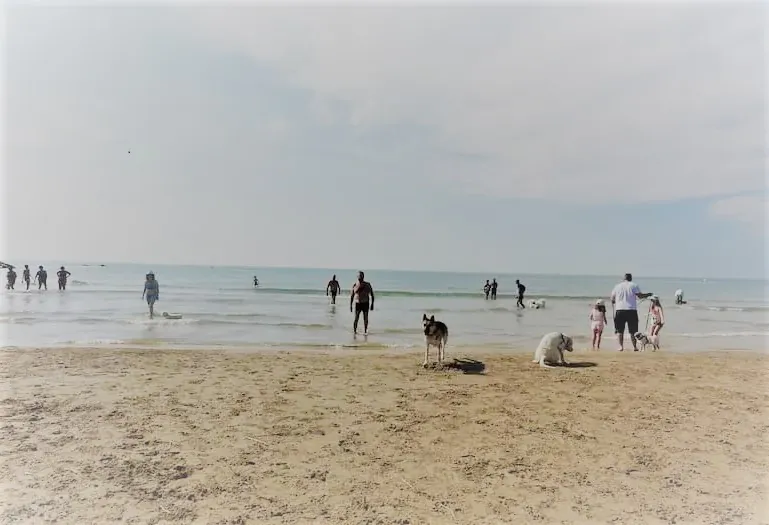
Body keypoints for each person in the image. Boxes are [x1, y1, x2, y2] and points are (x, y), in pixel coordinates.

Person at [610, 273, 653, 352]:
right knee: (633, 331)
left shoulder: (617, 286)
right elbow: (640, 296)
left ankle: (620, 347)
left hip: (619, 310)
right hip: (631, 310)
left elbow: (612, 299)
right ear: (631, 278)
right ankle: (635, 347)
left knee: (620, 330)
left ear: (624, 278)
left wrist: (615, 301)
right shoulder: (634, 285)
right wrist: (648, 294)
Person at [350, 271, 375, 335]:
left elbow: (372, 294)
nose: (360, 277)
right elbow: (352, 295)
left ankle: (365, 331)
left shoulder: (367, 284)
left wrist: (372, 304)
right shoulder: (355, 284)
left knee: (365, 318)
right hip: (358, 303)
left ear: (363, 276)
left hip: (365, 303)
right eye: (359, 275)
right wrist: (350, 305)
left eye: (361, 275)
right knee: (356, 318)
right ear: (357, 276)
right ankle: (354, 331)